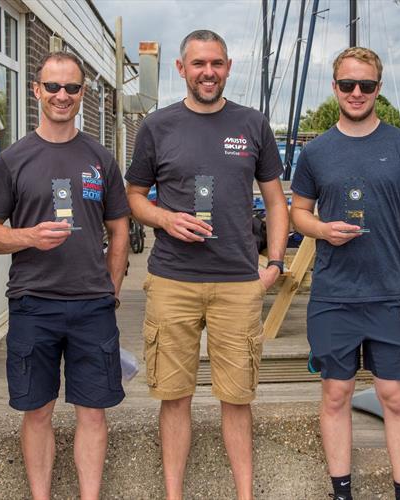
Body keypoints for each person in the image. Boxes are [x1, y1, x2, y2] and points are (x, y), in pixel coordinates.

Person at [125, 29, 289, 500]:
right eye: (198, 64)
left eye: (216, 63)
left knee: (237, 399)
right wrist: (164, 218)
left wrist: (273, 265)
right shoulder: (158, 126)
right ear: (181, 69)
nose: (208, 72)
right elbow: (133, 197)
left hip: (238, 282)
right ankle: (173, 494)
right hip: (172, 279)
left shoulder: (252, 124)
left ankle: (245, 494)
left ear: (228, 66)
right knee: (173, 398)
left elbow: (276, 203)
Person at [0, 52, 130, 500]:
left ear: (82, 94)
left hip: (91, 305)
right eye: (53, 87)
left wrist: (112, 287)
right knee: (37, 412)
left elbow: (119, 228)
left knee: (94, 412)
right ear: (36, 90)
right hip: (32, 303)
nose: (62, 96)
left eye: (72, 88)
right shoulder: (12, 159)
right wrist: (26, 237)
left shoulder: (100, 158)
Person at [290, 47, 400, 500]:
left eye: (365, 85)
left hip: (392, 293)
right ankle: (342, 493)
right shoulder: (315, 152)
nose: (356, 93)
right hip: (334, 294)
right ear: (335, 88)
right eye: (347, 84)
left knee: (395, 397)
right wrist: (322, 231)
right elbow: (298, 214)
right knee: (336, 394)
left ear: (378, 88)